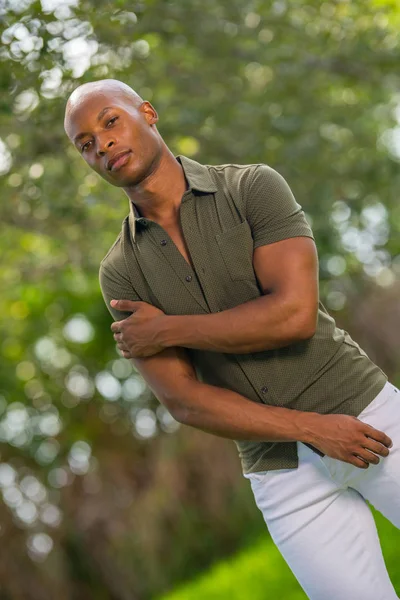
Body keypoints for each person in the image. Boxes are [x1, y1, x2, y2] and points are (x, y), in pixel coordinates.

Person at [64, 79, 400, 599]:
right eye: (85, 143)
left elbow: (292, 316)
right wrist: (311, 429)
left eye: (110, 121)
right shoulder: (121, 271)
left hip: (370, 418)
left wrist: (168, 329)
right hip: (283, 477)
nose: (102, 144)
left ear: (147, 112)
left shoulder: (252, 188)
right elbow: (185, 400)